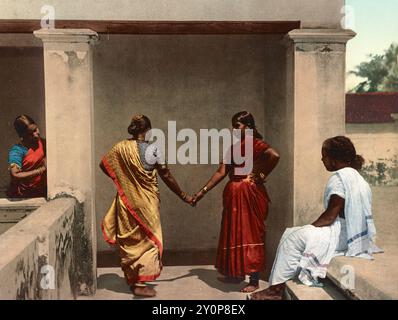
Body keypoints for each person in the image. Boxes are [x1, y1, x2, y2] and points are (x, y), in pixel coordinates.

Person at [250, 136, 383, 300]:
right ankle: (278, 286)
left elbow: (329, 216)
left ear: (333, 159)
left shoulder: (340, 178)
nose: (322, 159)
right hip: (355, 235)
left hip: (340, 235)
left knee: (292, 236)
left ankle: (275, 290)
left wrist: (308, 228)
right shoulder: (357, 177)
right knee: (298, 234)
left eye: (324, 156)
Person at [100, 114, 194, 297]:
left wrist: (125, 180)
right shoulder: (153, 149)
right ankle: (140, 285)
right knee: (149, 240)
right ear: (148, 130)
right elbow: (166, 174)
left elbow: (103, 165)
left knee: (131, 240)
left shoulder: (120, 148)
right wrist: (183, 195)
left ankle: (134, 279)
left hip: (127, 201)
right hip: (147, 202)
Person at [192, 111, 280, 293]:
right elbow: (221, 172)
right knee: (234, 232)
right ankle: (235, 274)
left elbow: (274, 155)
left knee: (251, 233)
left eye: (237, 126)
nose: (234, 130)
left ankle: (254, 280)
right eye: (233, 126)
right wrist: (202, 192)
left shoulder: (257, 144)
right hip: (234, 192)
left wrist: (258, 175)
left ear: (248, 127)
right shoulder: (233, 148)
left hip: (249, 193)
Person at [7, 115, 47, 198]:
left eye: (36, 129)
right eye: (30, 133)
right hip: (23, 194)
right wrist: (40, 170)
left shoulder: (43, 143)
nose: (36, 134)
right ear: (23, 136)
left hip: (41, 191)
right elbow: (15, 174)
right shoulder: (17, 151)